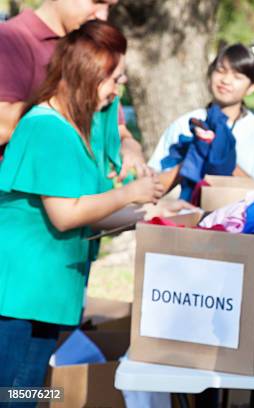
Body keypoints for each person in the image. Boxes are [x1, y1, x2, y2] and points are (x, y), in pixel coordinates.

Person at [0, 20, 164, 391]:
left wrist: (146, 217)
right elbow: (65, 215)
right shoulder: (46, 126)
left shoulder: (73, 127)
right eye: (114, 79)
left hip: (42, 295)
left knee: (23, 394)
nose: (117, 89)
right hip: (17, 297)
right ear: (88, 74)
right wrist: (128, 194)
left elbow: (86, 211)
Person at [0, 0, 150, 181]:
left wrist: (130, 146)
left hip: (86, 198)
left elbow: (117, 129)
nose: (103, 16)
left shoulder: (94, 46)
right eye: (97, 2)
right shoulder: (9, 39)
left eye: (109, 7)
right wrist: (71, 104)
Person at [148, 43, 254, 183]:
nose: (226, 80)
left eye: (237, 76)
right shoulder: (187, 123)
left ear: (251, 87)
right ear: (210, 75)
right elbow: (154, 178)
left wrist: (224, 159)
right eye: (220, 71)